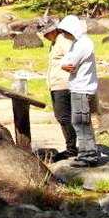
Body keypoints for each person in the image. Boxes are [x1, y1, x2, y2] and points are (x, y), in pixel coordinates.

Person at [55, 14, 101, 167]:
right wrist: (64, 63)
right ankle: (86, 153)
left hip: (82, 88)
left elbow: (70, 62)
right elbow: (65, 60)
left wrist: (64, 64)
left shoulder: (83, 44)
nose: (64, 35)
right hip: (78, 87)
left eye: (66, 32)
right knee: (79, 122)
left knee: (81, 122)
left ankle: (88, 155)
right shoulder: (77, 43)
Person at [37, 17, 76, 160]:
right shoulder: (55, 43)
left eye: (47, 33)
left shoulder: (63, 41)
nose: (45, 36)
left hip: (64, 85)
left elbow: (74, 58)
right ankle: (72, 147)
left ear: (54, 30)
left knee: (64, 117)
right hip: (57, 85)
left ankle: (72, 149)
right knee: (62, 117)